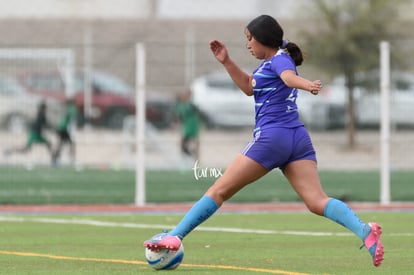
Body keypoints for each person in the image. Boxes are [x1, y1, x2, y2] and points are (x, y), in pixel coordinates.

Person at [144, 15, 384, 267]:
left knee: (218, 191)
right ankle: (366, 232)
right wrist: (226, 61)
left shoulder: (280, 59)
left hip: (273, 138)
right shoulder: (272, 62)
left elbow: (289, 77)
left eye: (250, 39)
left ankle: (175, 236)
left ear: (263, 39)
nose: (248, 45)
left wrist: (308, 85)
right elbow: (249, 86)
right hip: (297, 138)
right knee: (316, 201)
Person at [175, 89, 200, 159]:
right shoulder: (181, 105)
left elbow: (196, 113)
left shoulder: (190, 105)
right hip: (187, 127)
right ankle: (187, 156)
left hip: (192, 126)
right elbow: (179, 117)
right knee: (184, 143)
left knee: (194, 142)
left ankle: (195, 158)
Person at [52, 98, 78, 166]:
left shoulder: (66, 108)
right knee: (70, 144)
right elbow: (73, 117)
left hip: (60, 128)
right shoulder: (72, 108)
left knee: (61, 144)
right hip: (63, 129)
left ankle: (56, 159)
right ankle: (71, 159)